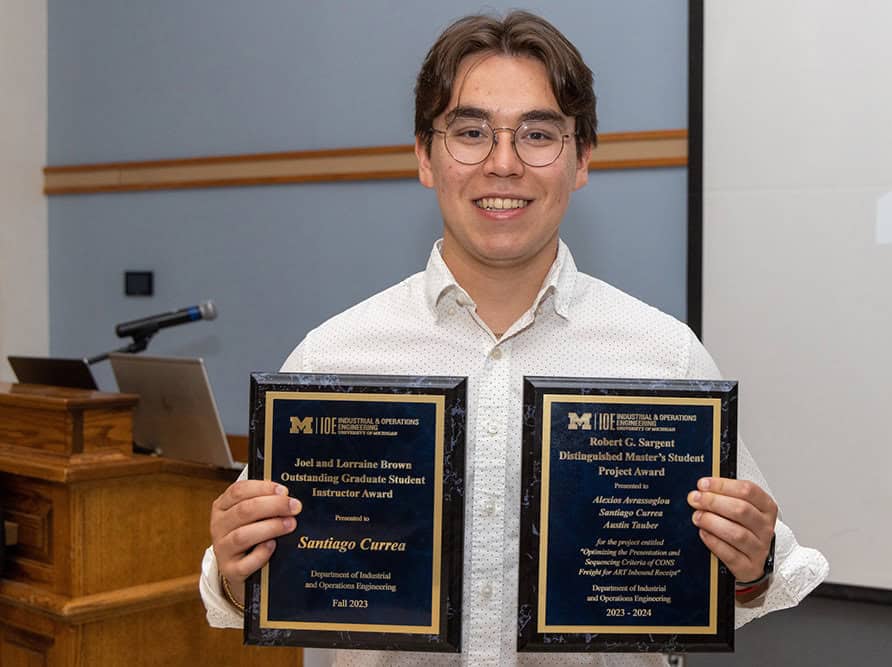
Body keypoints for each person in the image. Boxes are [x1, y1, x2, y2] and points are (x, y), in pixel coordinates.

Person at [200, 11, 828, 666]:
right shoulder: (331, 358)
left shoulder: (664, 357)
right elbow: (238, 588)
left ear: (582, 158)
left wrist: (753, 563)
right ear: (425, 155)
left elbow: (756, 579)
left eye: (538, 133)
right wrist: (234, 565)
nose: (504, 163)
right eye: (470, 132)